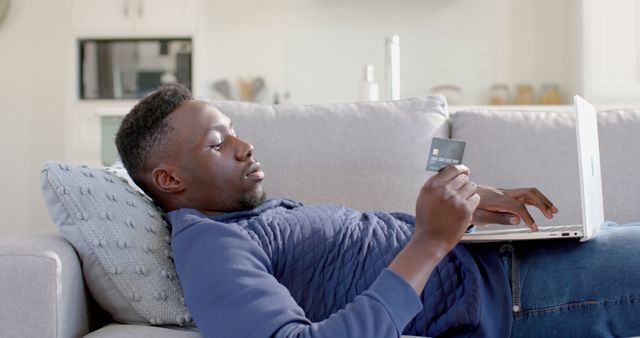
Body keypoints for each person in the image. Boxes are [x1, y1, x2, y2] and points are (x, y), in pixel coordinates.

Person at [115, 84, 640, 338]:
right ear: (169, 179)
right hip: (512, 296)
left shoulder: (245, 219)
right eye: (217, 142)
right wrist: (431, 242)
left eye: (234, 130)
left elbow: (364, 252)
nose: (244, 146)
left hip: (499, 262)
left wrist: (463, 213)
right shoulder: (208, 244)